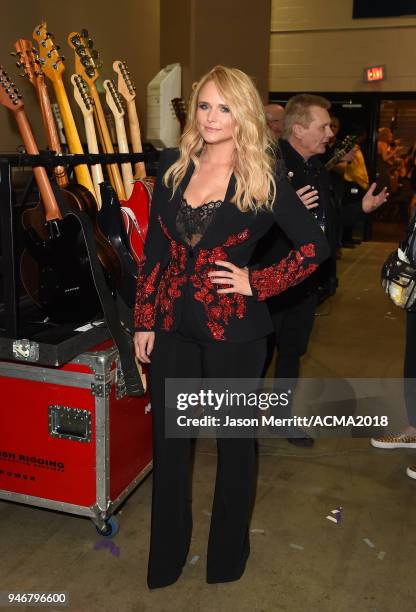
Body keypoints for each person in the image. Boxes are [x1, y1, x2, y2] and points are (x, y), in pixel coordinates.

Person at [133, 66, 330, 589]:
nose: (212, 117)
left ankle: (226, 559)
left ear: (242, 112)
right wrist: (143, 320)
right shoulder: (171, 164)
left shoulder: (263, 175)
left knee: (234, 449)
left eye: (224, 107)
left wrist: (257, 281)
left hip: (237, 334)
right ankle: (166, 560)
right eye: (204, 105)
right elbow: (154, 250)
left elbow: (314, 247)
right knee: (170, 449)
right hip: (173, 328)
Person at [255, 94, 389, 447]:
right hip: (271, 283)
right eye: (324, 126)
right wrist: (282, 211)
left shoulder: (316, 168)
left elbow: (324, 225)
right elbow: (242, 227)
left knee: (291, 353)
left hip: (305, 285)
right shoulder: (268, 166)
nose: (330, 133)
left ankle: (280, 418)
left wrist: (360, 208)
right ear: (298, 129)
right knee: (257, 356)